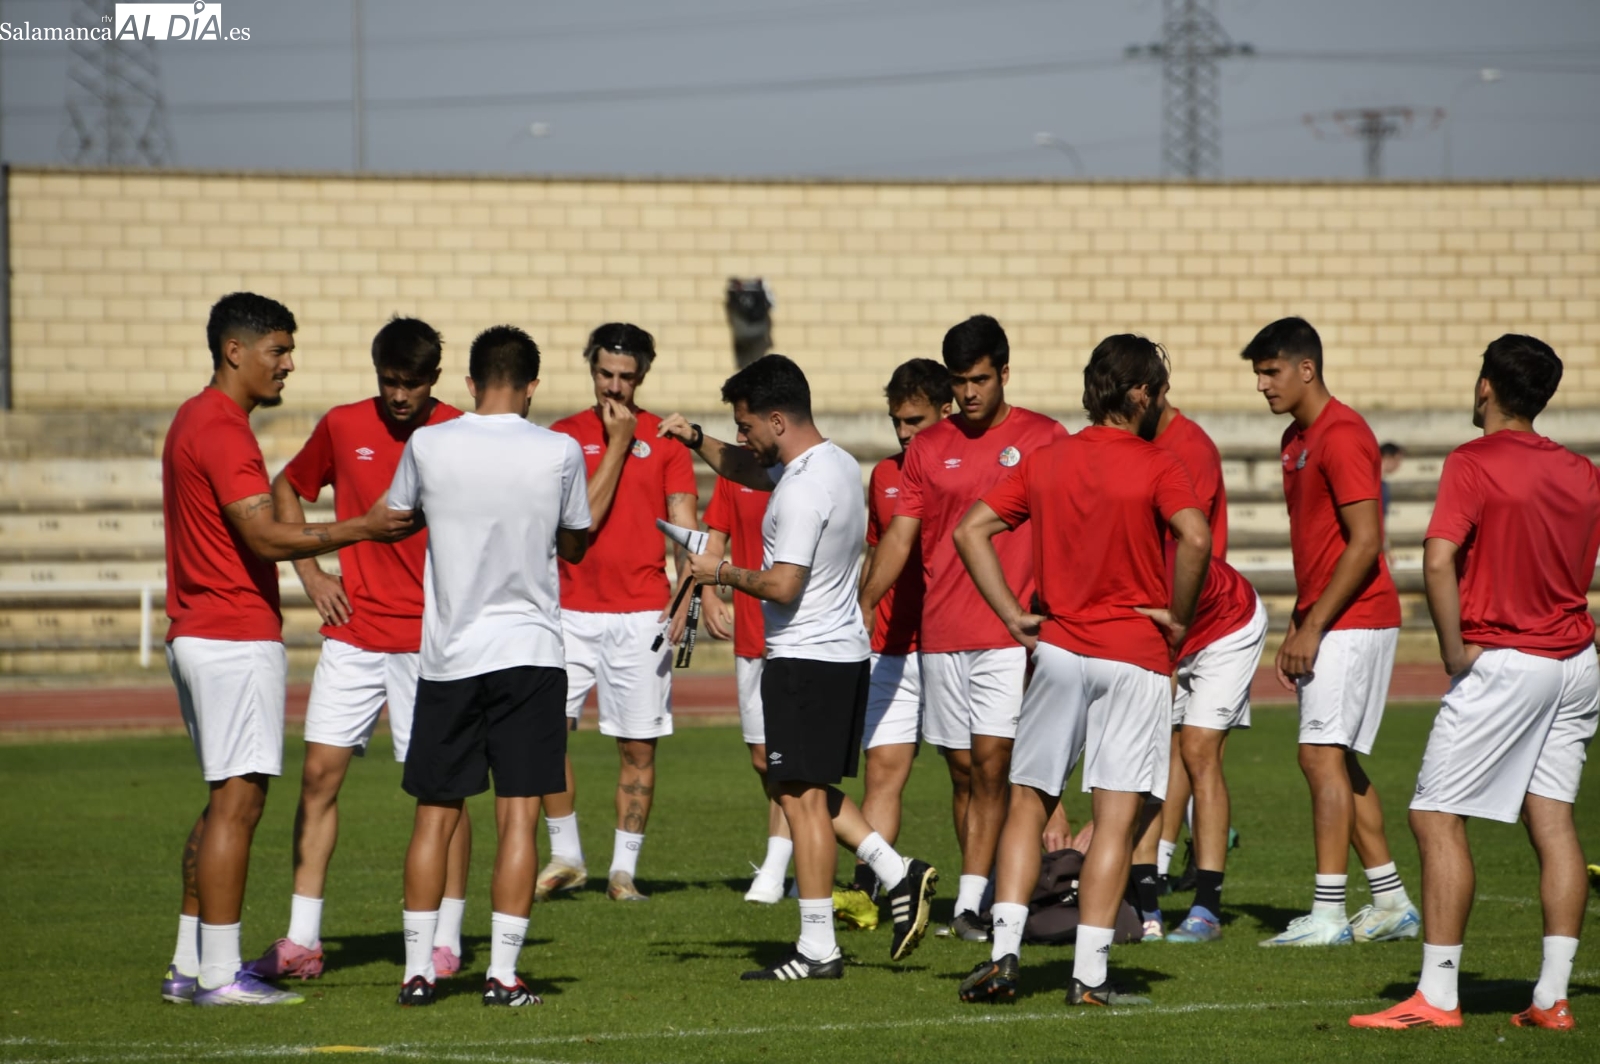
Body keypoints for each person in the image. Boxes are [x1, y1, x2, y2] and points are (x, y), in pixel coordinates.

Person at [161, 292, 416, 1007]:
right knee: (239, 805)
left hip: (201, 630)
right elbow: (265, 535)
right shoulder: (222, 428)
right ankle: (218, 975)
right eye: (277, 350)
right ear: (234, 351)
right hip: (230, 634)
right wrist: (359, 529)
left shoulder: (193, 416)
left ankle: (189, 963)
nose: (288, 365)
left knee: (223, 802)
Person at [658, 354, 938, 980]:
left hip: (804, 659)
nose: (742, 438)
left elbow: (783, 585)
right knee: (801, 791)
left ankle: (819, 948)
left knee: (802, 800)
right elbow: (745, 468)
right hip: (836, 654)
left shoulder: (803, 487)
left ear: (777, 420)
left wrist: (717, 572)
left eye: (746, 426)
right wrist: (697, 438)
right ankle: (897, 873)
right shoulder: (833, 464)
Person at [953, 334, 1210, 1006]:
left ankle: (1003, 957)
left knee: (1027, 803)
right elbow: (1197, 536)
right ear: (1143, 394)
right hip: (1134, 654)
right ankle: (1089, 978)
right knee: (1117, 819)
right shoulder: (1158, 463)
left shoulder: (1048, 457)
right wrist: (1178, 614)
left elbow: (970, 530)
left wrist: (1012, 614)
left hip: (1061, 650)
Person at [1352, 336, 1600, 1031]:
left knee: (1434, 816)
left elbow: (1438, 562)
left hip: (1507, 659)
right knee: (1553, 822)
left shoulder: (1473, 461)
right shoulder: (1582, 470)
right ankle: (1551, 999)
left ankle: (1437, 996)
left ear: (1486, 386)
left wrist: (1455, 648)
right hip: (1575, 662)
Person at [246, 317, 469, 984]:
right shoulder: (344, 426)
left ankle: (446, 940)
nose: (399, 396)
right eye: (389, 383)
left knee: (444, 797)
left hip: (434, 643)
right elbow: (288, 487)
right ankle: (303, 940)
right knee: (317, 779)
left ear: (434, 380)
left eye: (411, 384)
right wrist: (313, 574)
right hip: (355, 635)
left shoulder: (459, 432)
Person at [389, 325, 590, 1007]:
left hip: (450, 654)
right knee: (518, 817)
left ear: (470, 383)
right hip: (531, 654)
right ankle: (501, 976)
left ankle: (418, 971)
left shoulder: (427, 442)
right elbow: (576, 540)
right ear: (532, 385)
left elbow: (394, 518)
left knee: (435, 814)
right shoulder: (561, 449)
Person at [859, 316, 1067, 940]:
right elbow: (901, 537)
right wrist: (864, 601)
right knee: (961, 770)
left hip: (1012, 631)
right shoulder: (927, 447)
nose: (971, 393)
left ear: (1004, 372)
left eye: (981, 379)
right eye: (961, 382)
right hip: (942, 631)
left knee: (993, 763)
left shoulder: (1043, 437)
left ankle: (975, 904)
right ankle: (980, 896)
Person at [1242, 317, 1420, 947]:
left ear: (1306, 368)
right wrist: (1302, 616)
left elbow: (1366, 542)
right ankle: (1392, 901)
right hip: (1329, 617)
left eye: (1271, 371)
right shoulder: (1296, 438)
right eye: (1258, 373)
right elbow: (1320, 544)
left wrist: (1314, 624)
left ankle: (1326, 914)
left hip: (1354, 618)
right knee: (1336, 757)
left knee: (1317, 754)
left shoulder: (1342, 435)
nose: (1262, 385)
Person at [540, 324, 699, 903]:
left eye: (626, 376)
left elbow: (685, 528)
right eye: (605, 373)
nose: (614, 386)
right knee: (541, 736)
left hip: (641, 616)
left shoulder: (667, 442)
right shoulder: (562, 436)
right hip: (567, 610)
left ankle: (622, 871)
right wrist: (614, 443)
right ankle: (566, 856)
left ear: (643, 376)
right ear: (591, 369)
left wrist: (689, 594)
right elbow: (562, 523)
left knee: (638, 747)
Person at [1143, 383, 1268, 944]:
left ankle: (1207, 909)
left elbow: (1174, 598)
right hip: (1181, 623)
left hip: (1227, 623)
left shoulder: (1187, 450)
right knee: (1152, 752)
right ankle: (1148, 895)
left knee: (1196, 748)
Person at [834, 358, 952, 931]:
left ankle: (987, 897)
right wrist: (859, 606)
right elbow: (878, 550)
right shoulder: (884, 474)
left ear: (946, 410)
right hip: (892, 647)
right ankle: (869, 891)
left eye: (915, 420)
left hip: (959, 641)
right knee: (881, 771)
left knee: (979, 774)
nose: (904, 433)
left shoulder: (966, 470)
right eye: (896, 421)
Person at [700, 470, 787, 903]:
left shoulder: (800, 470)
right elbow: (714, 540)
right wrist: (711, 594)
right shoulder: (733, 477)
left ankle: (776, 868)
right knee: (762, 758)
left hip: (793, 635)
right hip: (750, 632)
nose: (740, 433)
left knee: (786, 757)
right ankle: (792, 854)